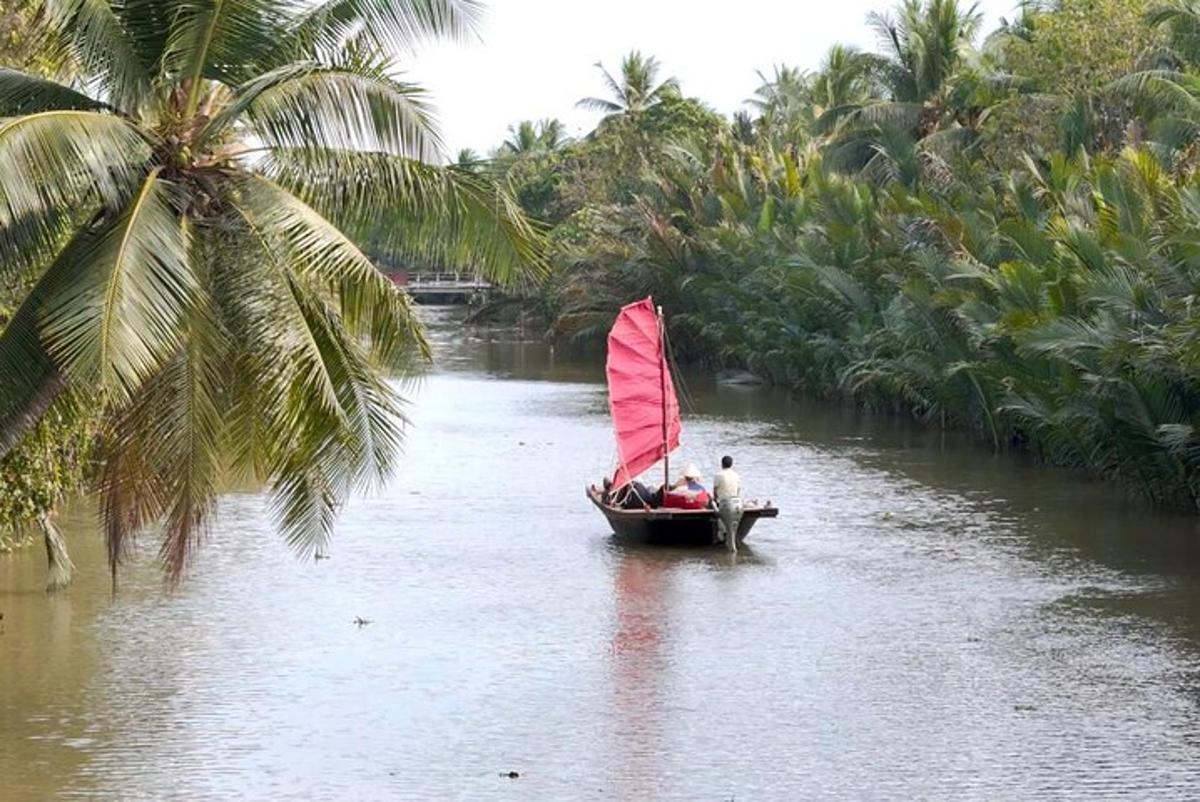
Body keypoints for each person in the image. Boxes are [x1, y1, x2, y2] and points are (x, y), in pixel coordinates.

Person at [713, 455, 743, 552]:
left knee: (718, 515)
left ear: (721, 464)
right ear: (731, 464)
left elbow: (715, 491)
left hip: (726, 504)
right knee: (732, 530)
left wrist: (715, 500)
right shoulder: (736, 475)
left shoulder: (719, 475)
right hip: (738, 504)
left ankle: (722, 534)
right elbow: (738, 490)